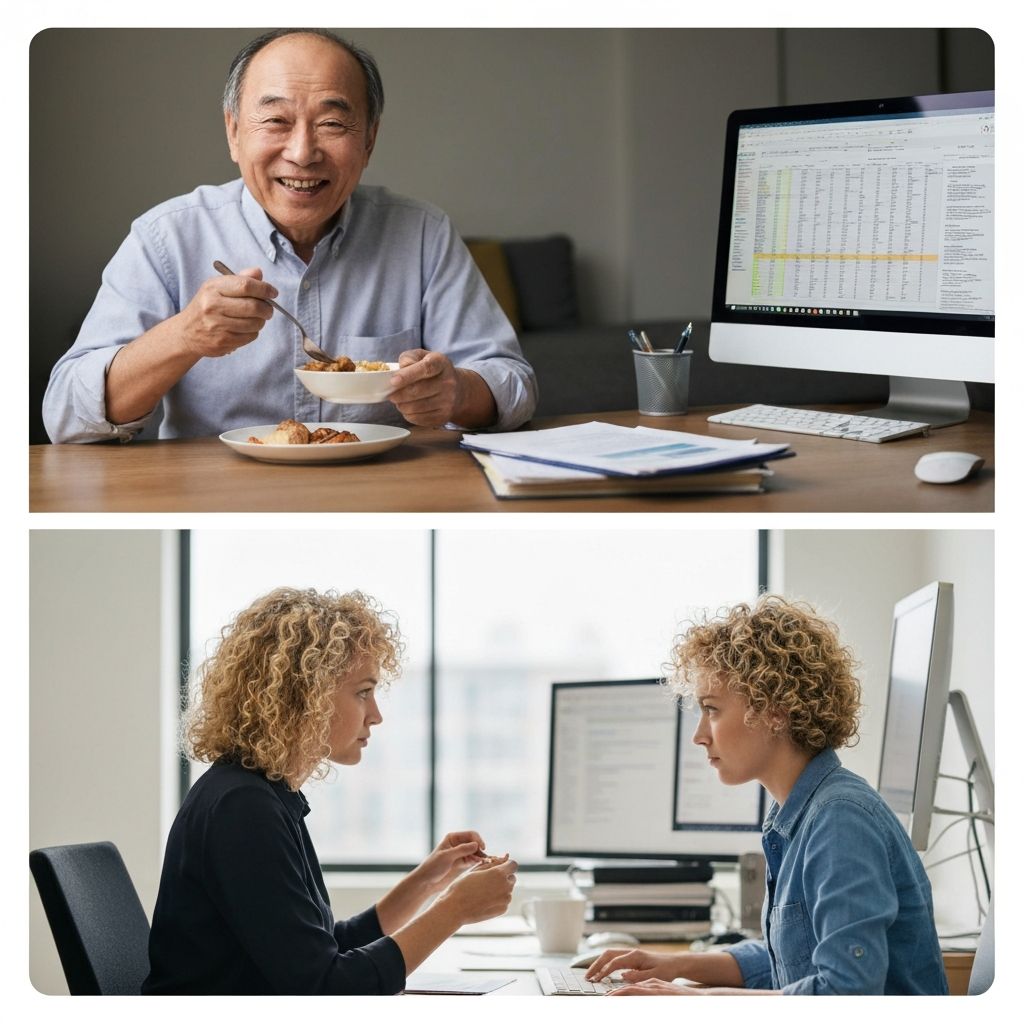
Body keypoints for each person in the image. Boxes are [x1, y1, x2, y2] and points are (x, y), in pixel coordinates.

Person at [43, 29, 537, 443]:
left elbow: (513, 384)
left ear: (369, 140)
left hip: (379, 493)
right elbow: (66, 414)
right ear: (234, 132)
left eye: (332, 123)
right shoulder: (166, 237)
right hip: (218, 501)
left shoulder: (422, 232)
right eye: (276, 121)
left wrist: (456, 393)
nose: (302, 153)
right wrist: (184, 335)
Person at [142, 587, 518, 995]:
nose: (376, 715)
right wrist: (455, 910)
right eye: (362, 692)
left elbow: (326, 948)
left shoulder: (259, 794)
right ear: (305, 697)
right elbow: (327, 988)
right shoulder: (242, 808)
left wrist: (429, 881)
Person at [587, 595, 948, 996]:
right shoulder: (799, 813)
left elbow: (847, 993)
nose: (699, 735)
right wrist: (675, 965)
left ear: (774, 710)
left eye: (712, 710)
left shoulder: (841, 820)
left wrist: (695, 1001)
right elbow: (790, 958)